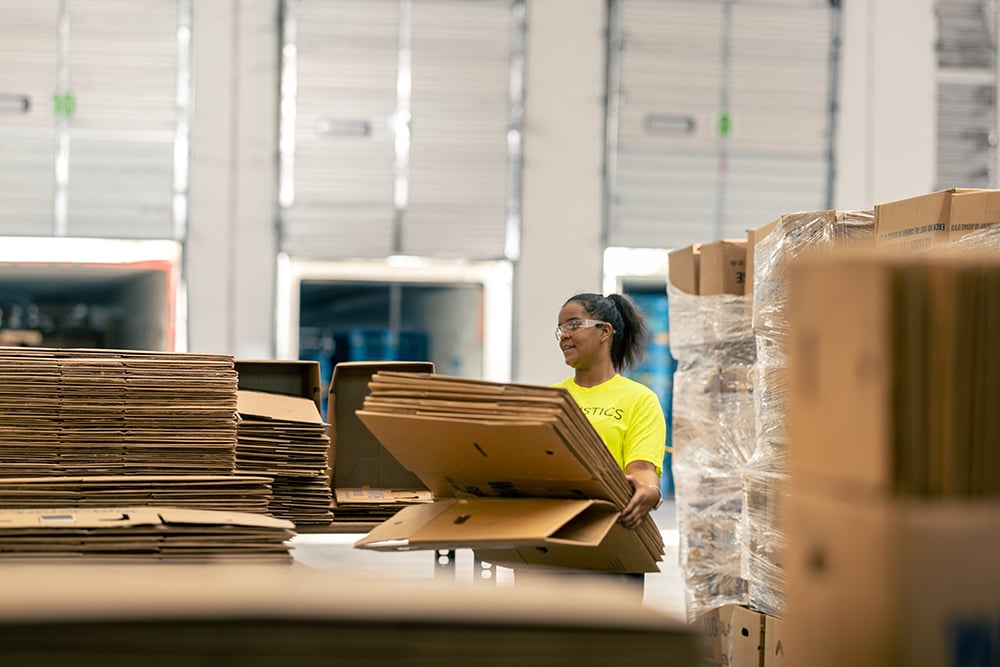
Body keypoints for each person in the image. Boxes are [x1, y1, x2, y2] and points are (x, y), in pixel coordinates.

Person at [542, 292, 667, 598]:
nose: (564, 336)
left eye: (573, 324)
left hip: (611, 542)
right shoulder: (548, 399)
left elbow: (641, 469)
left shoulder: (638, 399)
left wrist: (648, 491)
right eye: (560, 329)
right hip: (549, 539)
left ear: (604, 331)